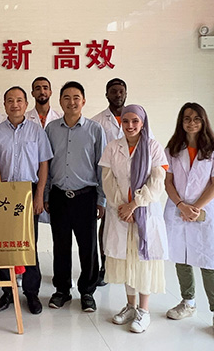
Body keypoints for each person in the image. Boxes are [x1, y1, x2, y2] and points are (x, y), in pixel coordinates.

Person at [164, 103, 214, 342]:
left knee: (209, 261)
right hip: (178, 209)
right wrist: (181, 205)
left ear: (203, 121)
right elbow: (168, 182)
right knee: (181, 257)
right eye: (187, 118)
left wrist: (195, 208)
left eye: (196, 118)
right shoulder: (173, 148)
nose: (191, 122)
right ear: (181, 121)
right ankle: (188, 302)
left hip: (204, 211)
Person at [0, 86, 53, 315]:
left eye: (19, 100)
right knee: (4, 244)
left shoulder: (37, 131)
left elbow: (44, 164)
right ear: (4, 105)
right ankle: (7, 291)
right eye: (10, 100)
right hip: (2, 193)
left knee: (29, 244)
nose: (15, 105)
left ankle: (31, 292)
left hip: (28, 191)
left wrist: (39, 194)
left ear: (26, 104)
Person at [99, 105, 169, 333]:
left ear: (143, 122)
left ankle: (144, 311)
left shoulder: (153, 147)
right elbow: (107, 180)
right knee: (126, 259)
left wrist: (134, 205)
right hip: (120, 213)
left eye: (135, 121)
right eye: (126, 121)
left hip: (144, 212)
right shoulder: (113, 147)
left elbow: (157, 181)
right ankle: (130, 306)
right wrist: (122, 207)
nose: (130, 126)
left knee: (143, 260)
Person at [45, 81, 106, 313]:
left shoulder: (95, 129)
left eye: (76, 97)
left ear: (83, 101)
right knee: (60, 245)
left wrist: (101, 199)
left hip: (85, 197)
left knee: (88, 247)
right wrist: (46, 194)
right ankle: (62, 290)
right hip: (59, 196)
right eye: (67, 97)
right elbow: (46, 164)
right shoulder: (51, 129)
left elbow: (102, 167)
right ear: (60, 101)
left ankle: (87, 291)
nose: (71, 102)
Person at [91, 78, 128, 287]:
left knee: (131, 225)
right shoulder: (97, 122)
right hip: (107, 180)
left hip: (131, 182)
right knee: (106, 225)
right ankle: (104, 267)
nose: (118, 95)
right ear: (106, 94)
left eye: (121, 91)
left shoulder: (135, 119)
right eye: (113, 91)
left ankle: (127, 266)